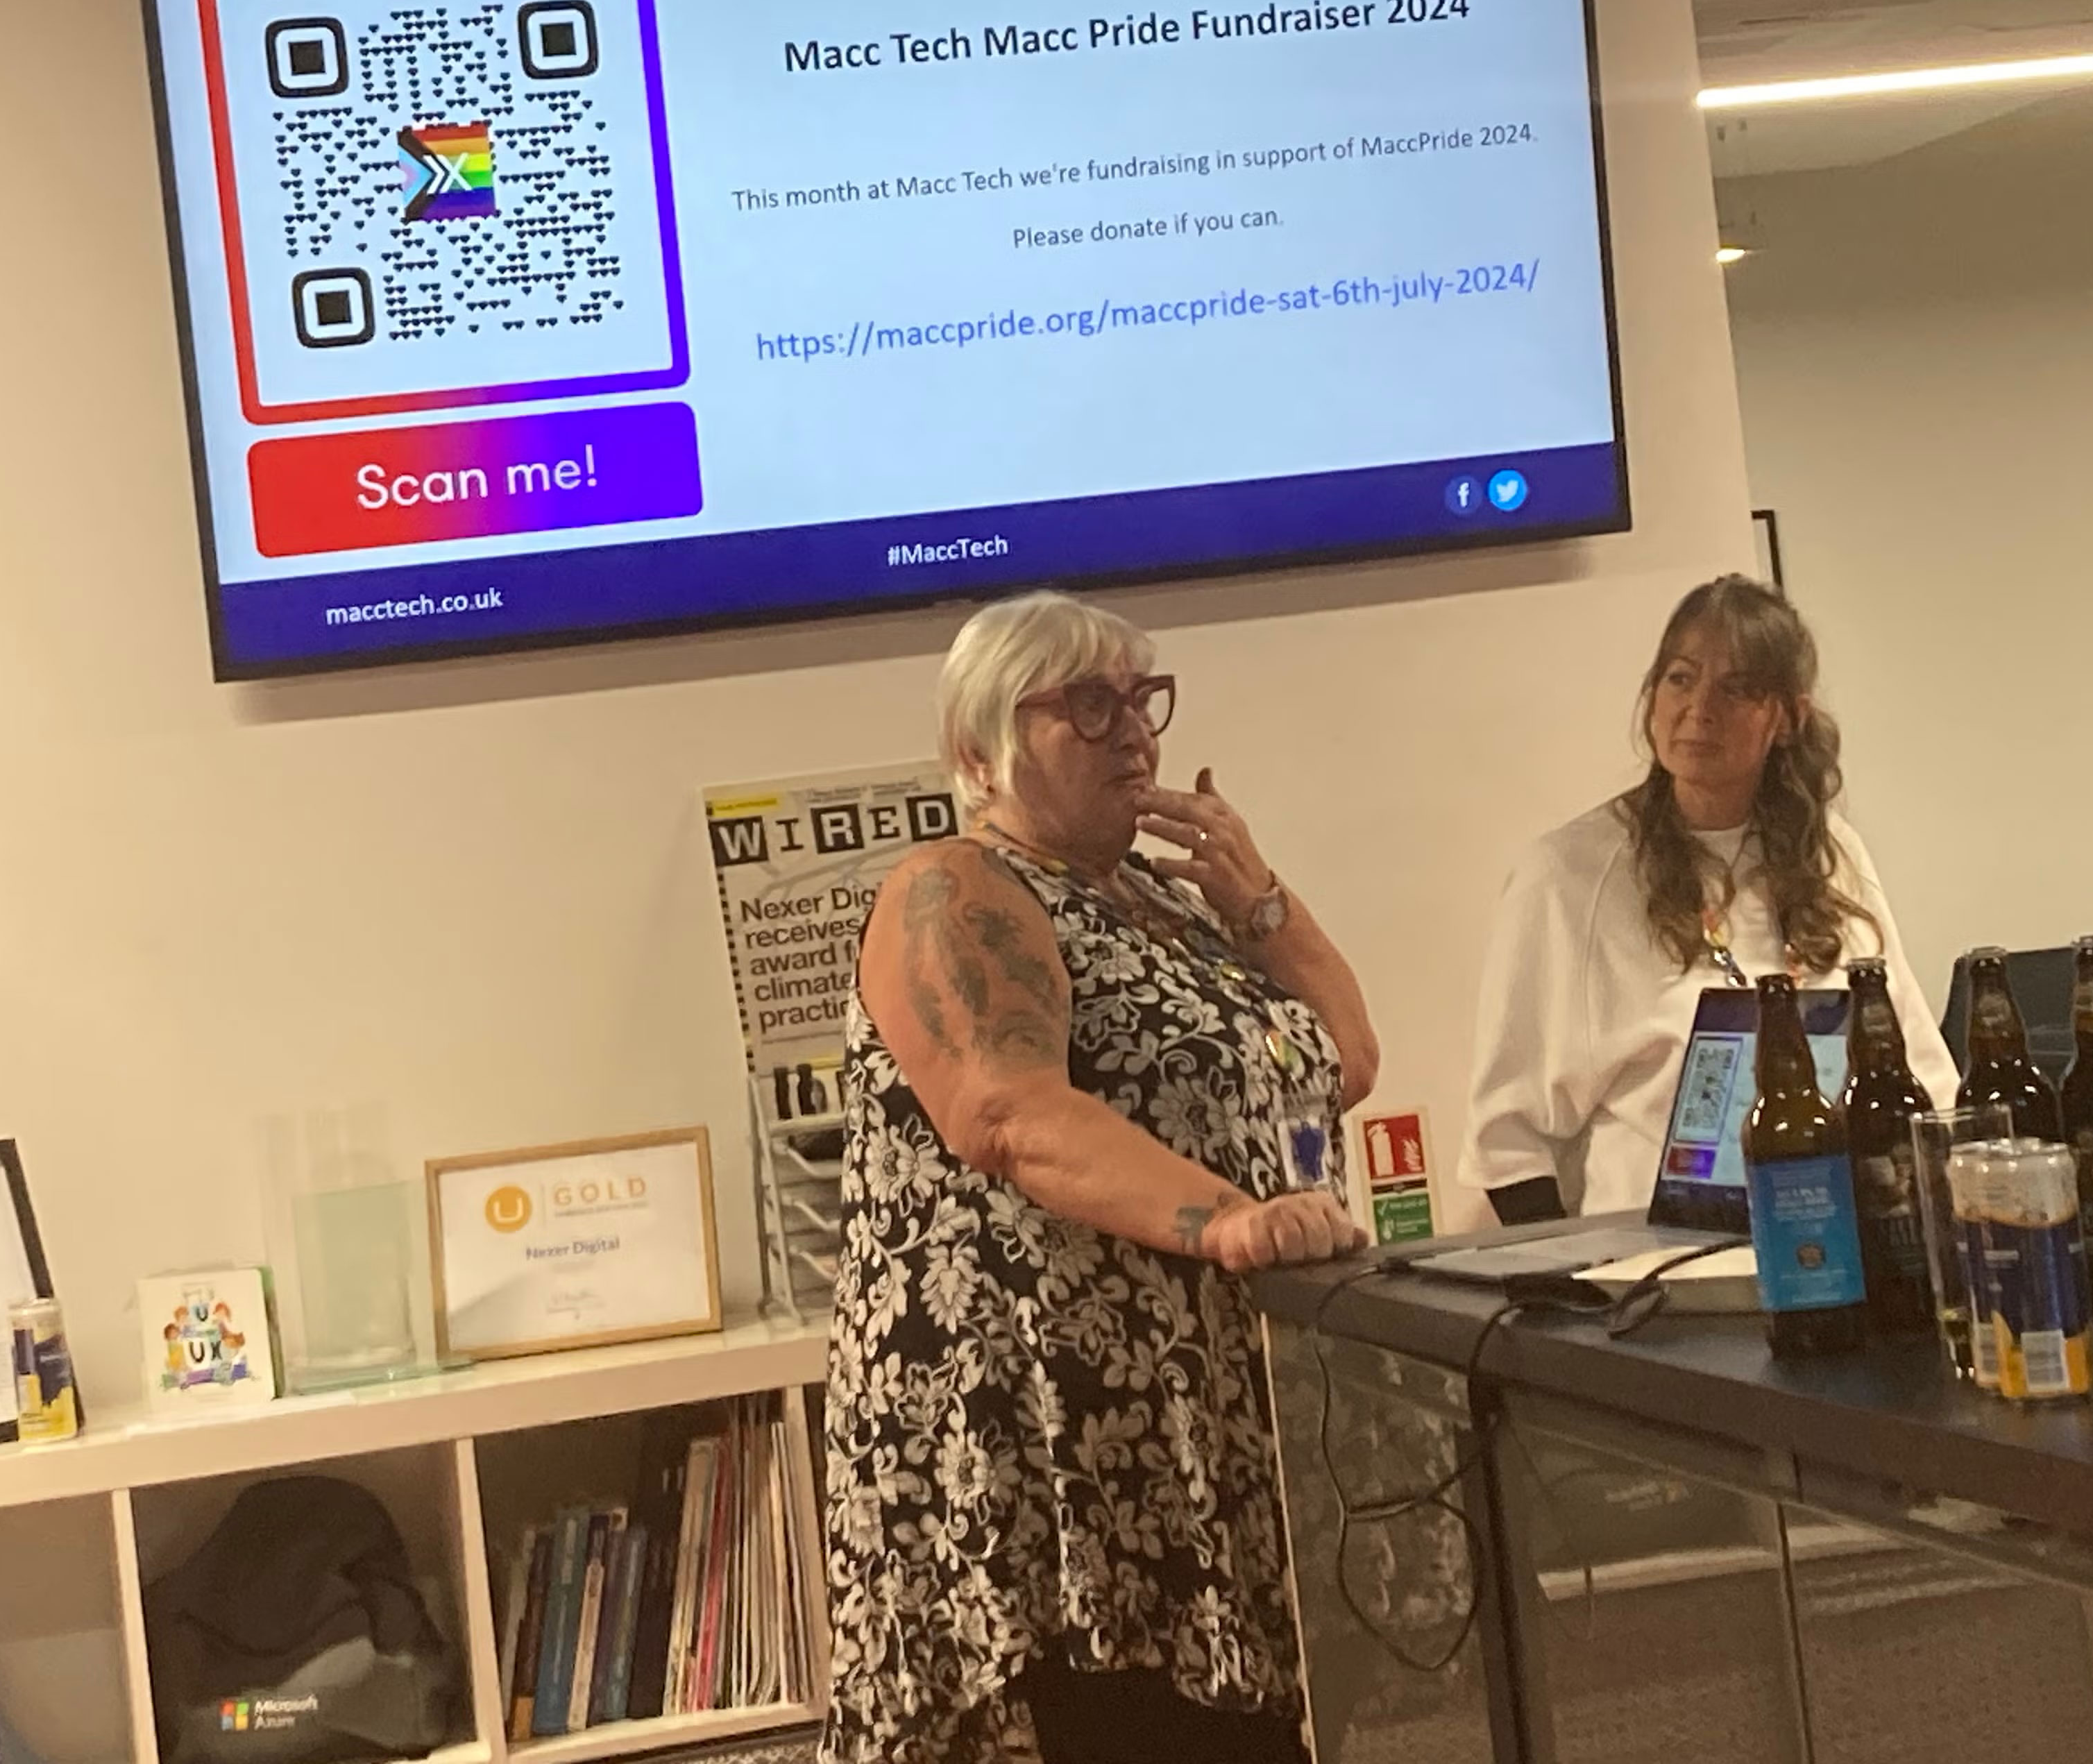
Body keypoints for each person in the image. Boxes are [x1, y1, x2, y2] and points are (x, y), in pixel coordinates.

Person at [822, 590, 1377, 1764]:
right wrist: (1232, 1223)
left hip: (1199, 1431)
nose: (1134, 730)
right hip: (1057, 1445)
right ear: (979, 748)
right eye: (1087, 703)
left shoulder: (1168, 902)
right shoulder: (953, 886)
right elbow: (1006, 1112)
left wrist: (1260, 901)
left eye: (1141, 697)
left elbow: (1343, 1062)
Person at [1464, 574, 1959, 1222]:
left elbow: (1920, 1072)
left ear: (1788, 719)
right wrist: (1577, 1294)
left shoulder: (1831, 850)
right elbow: (1507, 1142)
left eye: (1738, 689)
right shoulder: (1566, 874)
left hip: (1844, 1229)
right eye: (1681, 678)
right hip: (1657, 1269)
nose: (1699, 709)